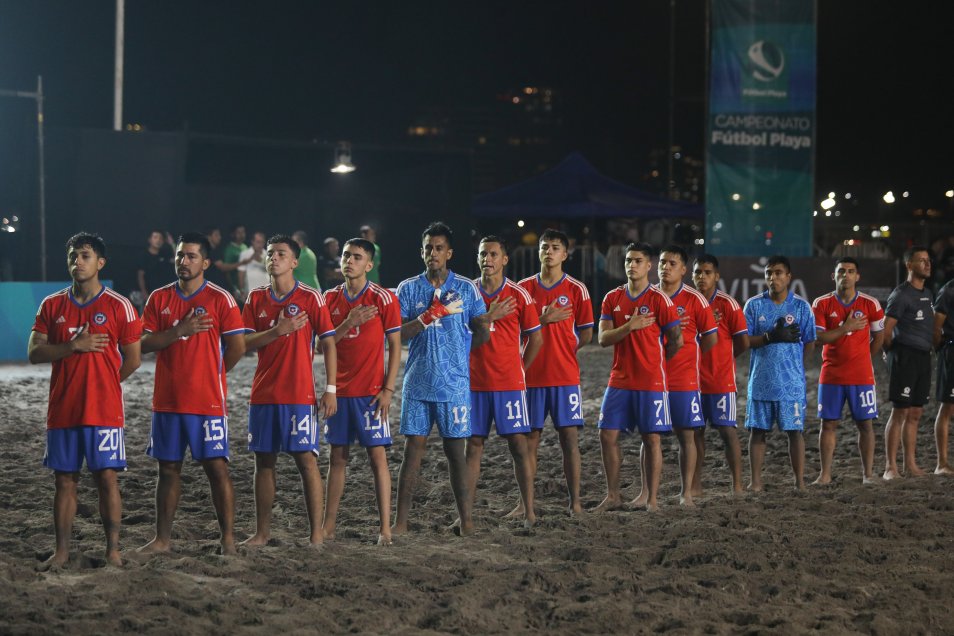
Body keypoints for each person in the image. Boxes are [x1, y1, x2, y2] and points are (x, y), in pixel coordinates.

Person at [28, 232, 142, 569]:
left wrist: (107, 383)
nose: (77, 262)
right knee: (64, 480)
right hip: (63, 409)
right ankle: (61, 552)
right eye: (73, 256)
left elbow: (133, 359)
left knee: (106, 477)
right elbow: (34, 352)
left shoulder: (119, 305)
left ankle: (113, 551)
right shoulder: (52, 305)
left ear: (100, 263)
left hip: (103, 410)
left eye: (85, 256)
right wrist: (72, 347)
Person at [139, 232, 247, 555]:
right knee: (168, 469)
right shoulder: (158, 298)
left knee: (216, 468)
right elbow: (142, 344)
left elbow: (238, 347)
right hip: (167, 401)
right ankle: (162, 540)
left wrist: (212, 375)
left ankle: (227, 540)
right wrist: (178, 332)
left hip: (207, 403)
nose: (183, 262)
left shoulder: (220, 299)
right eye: (180, 256)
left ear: (206, 263)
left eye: (191, 256)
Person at [392, 222, 498, 537]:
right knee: (413, 453)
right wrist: (430, 315)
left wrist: (459, 354)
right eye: (428, 248)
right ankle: (400, 522)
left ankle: (466, 522)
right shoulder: (408, 289)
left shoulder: (466, 288)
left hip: (454, 386)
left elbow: (482, 333)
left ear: (449, 253)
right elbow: (397, 335)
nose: (433, 253)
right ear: (421, 252)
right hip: (418, 383)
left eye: (439, 248)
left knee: (456, 455)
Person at [242, 234, 337, 547]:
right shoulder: (256, 298)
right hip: (263, 394)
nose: (274, 258)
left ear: (295, 262)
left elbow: (328, 341)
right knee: (263, 463)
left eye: (281, 253)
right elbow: (242, 343)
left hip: (298, 395)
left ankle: (316, 534)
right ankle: (262, 532)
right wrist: (277, 331)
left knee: (306, 461)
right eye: (270, 253)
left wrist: (331, 388)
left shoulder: (310, 297)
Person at [322, 238, 401, 545]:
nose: (349, 261)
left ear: (369, 265)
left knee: (377, 457)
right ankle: (328, 526)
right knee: (337, 458)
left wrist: (388, 389)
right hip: (339, 393)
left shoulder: (383, 298)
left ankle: (385, 529)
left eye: (356, 257)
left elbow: (395, 346)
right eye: (345, 255)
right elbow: (322, 344)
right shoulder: (329, 299)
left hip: (370, 394)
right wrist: (347, 322)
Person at [595, 242, 682, 512]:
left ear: (648, 266)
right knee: (607, 435)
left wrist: (657, 364)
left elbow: (676, 339)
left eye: (637, 261)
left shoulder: (659, 300)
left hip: (650, 381)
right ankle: (613, 495)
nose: (631, 265)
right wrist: (630, 326)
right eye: (628, 260)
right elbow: (602, 339)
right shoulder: (613, 297)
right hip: (619, 379)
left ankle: (652, 499)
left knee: (651, 438)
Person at [516, 228, 594, 517]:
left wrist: (565, 349)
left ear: (565, 254)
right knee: (529, 441)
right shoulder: (523, 289)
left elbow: (587, 333)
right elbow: (514, 329)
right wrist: (543, 319)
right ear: (538, 251)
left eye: (555, 247)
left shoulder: (576, 289)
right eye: (544, 246)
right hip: (531, 377)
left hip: (564, 377)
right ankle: (526, 504)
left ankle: (575, 502)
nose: (549, 251)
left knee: (569, 439)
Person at [466, 236, 543, 526]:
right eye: (483, 254)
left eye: (494, 254)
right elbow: (461, 334)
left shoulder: (519, 295)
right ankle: (467, 514)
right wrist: (488, 316)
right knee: (473, 446)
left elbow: (536, 336)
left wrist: (520, 368)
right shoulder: (467, 292)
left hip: (509, 385)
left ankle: (529, 510)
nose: (488, 258)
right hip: (474, 384)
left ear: (504, 260)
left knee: (518, 445)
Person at [651, 245, 717, 506]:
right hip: (653, 378)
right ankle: (648, 494)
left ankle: (686, 492)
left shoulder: (694, 299)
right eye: (662, 262)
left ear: (683, 270)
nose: (665, 267)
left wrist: (689, 355)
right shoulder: (649, 295)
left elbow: (710, 338)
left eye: (672, 263)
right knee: (650, 434)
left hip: (683, 379)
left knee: (686, 436)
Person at [743, 255, 816, 491]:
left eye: (777, 273)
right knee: (758, 432)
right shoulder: (754, 305)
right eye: (768, 273)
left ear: (788, 276)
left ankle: (800, 481)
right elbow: (744, 341)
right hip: (761, 381)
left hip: (791, 384)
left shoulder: (802, 307)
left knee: (795, 432)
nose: (772, 277)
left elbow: (810, 341)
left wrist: (798, 368)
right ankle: (755, 482)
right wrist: (769, 337)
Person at [811, 257, 885, 484]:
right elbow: (818, 338)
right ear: (833, 276)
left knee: (865, 425)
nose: (846, 275)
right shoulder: (821, 304)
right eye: (841, 271)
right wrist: (847, 328)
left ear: (857, 276)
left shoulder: (871, 304)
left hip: (862, 376)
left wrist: (861, 358)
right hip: (831, 375)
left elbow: (879, 337)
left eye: (851, 271)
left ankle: (868, 474)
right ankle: (825, 475)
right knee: (828, 424)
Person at [690, 254, 749, 495]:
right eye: (697, 273)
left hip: (720, 380)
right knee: (695, 433)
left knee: (727, 431)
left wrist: (725, 360)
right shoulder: (687, 301)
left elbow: (743, 341)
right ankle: (695, 485)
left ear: (717, 276)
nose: (701, 277)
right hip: (691, 381)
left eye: (706, 272)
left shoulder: (728, 304)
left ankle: (736, 485)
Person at [883, 246, 934, 479]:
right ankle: (890, 467)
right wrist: (892, 354)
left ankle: (910, 465)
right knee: (899, 412)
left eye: (928, 260)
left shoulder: (929, 293)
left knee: (915, 413)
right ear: (909, 265)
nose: (927, 264)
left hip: (924, 357)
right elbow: (886, 330)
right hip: (905, 356)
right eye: (921, 260)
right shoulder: (901, 294)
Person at [933, 278, 954, 474]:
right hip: (952, 351)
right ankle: (942, 463)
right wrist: (940, 348)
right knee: (948, 406)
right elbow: (936, 325)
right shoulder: (949, 290)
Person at [135, 229, 174, 310]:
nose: (158, 240)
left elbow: (178, 260)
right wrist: (145, 294)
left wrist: (172, 244)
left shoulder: (165, 254)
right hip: (148, 295)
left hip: (163, 296)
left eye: (160, 238)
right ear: (149, 240)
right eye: (155, 237)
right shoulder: (144, 255)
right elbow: (140, 276)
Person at [237, 230, 269, 296]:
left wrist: (260, 260)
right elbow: (241, 274)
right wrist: (241, 290)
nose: (260, 245)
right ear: (252, 242)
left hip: (266, 293)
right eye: (258, 242)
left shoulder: (268, 255)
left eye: (262, 242)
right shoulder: (244, 254)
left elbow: (273, 273)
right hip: (250, 292)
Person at [222, 224, 248, 297]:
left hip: (245, 286)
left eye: (243, 232)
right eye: (239, 233)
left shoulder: (245, 247)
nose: (241, 235)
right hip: (235, 287)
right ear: (233, 234)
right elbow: (226, 271)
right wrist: (232, 288)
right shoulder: (229, 249)